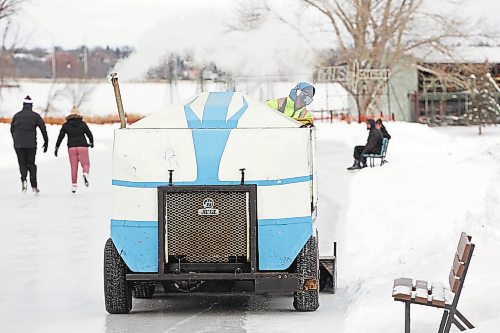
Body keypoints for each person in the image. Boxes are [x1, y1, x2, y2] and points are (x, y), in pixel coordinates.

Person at [10, 95, 48, 193]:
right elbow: (43, 128)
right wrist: (46, 141)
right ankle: (34, 186)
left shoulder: (17, 115)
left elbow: (12, 129)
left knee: (22, 163)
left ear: (23, 105)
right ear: (31, 105)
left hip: (18, 144)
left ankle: (23, 180)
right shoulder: (35, 116)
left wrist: (15, 140)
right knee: (31, 163)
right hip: (31, 144)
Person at [55, 106, 94, 193]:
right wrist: (91, 142)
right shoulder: (82, 124)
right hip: (82, 147)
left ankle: (74, 185)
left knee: (73, 167)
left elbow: (60, 137)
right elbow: (89, 133)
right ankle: (85, 173)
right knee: (86, 164)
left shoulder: (66, 125)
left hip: (71, 148)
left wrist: (57, 147)